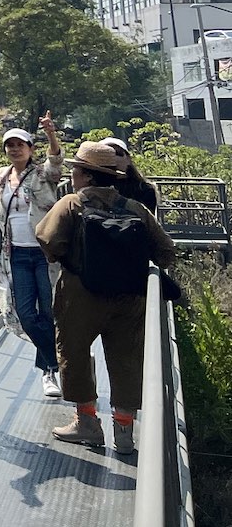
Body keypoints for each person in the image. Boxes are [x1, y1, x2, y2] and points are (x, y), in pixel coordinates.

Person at [35, 140, 177, 452]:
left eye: (76, 171)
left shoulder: (71, 204)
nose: (73, 175)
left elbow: (48, 241)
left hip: (80, 294)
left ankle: (87, 423)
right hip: (130, 298)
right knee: (126, 358)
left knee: (73, 352)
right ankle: (124, 433)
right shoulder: (135, 208)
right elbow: (166, 251)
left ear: (86, 176)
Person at [0, 115, 64, 397]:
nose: (15, 150)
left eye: (20, 145)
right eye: (9, 145)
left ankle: (49, 372)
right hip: (16, 255)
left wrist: (50, 134)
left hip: (45, 253)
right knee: (24, 313)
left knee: (48, 312)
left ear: (30, 148)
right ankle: (57, 360)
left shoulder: (41, 174)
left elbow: (56, 163)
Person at [101, 136, 161, 210]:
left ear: (128, 158)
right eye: (106, 154)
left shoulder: (144, 189)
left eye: (117, 153)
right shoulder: (94, 185)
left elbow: (146, 217)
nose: (113, 157)